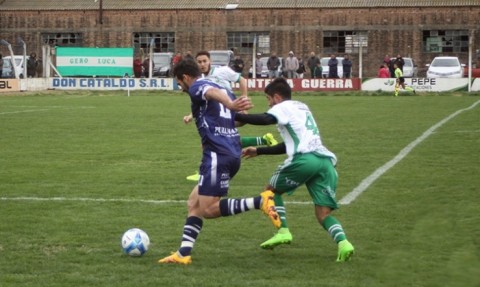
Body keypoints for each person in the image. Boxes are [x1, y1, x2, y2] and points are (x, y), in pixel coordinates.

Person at [158, 59, 280, 265]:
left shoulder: (199, 85)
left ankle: (260, 201)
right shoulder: (220, 88)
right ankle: (183, 253)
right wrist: (234, 107)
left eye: (179, 83)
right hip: (230, 152)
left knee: (208, 209)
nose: (180, 88)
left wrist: (231, 104)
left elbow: (209, 93)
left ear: (186, 77)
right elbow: (238, 120)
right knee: (194, 203)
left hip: (217, 154)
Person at [235, 77, 355, 262]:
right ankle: (344, 243)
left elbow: (265, 119)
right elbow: (289, 144)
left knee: (270, 191)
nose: (268, 104)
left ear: (276, 97)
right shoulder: (301, 106)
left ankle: (283, 231)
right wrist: (259, 151)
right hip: (324, 162)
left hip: (305, 160)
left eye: (268, 99)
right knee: (323, 214)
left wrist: (234, 115)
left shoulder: (283, 107)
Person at [184, 50, 278, 182]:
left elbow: (242, 80)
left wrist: (243, 100)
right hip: (217, 113)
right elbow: (203, 103)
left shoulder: (221, 71)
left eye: (204, 61)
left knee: (213, 140)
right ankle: (263, 140)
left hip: (230, 110)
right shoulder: (200, 79)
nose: (202, 64)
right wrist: (190, 115)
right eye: (199, 62)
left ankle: (204, 172)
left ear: (210, 61)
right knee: (224, 139)